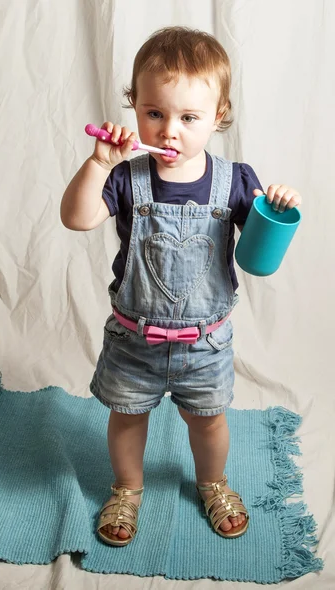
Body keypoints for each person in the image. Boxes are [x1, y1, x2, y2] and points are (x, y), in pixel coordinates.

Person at [60, 26, 302, 546]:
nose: (170, 130)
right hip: (134, 342)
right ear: (135, 106)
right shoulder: (127, 178)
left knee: (208, 423)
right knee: (127, 419)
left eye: (189, 118)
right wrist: (99, 163)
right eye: (155, 113)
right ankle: (127, 487)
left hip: (206, 344)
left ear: (219, 116)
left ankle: (212, 482)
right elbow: (76, 219)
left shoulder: (235, 181)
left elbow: (256, 264)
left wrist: (275, 213)